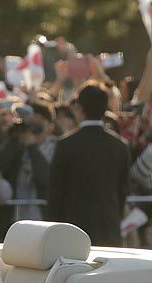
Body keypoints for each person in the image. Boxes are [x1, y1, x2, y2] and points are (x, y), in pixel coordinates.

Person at [48, 80, 130, 246]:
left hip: (73, 229)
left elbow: (55, 192)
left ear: (79, 108)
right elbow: (123, 191)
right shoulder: (120, 146)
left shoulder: (66, 145)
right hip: (109, 226)